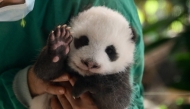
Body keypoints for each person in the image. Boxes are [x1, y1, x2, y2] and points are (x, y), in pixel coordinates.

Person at [0, 0, 144, 109]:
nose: (92, 60)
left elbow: (128, 100)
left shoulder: (107, 6)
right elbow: (43, 74)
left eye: (110, 51)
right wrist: (27, 85)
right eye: (83, 41)